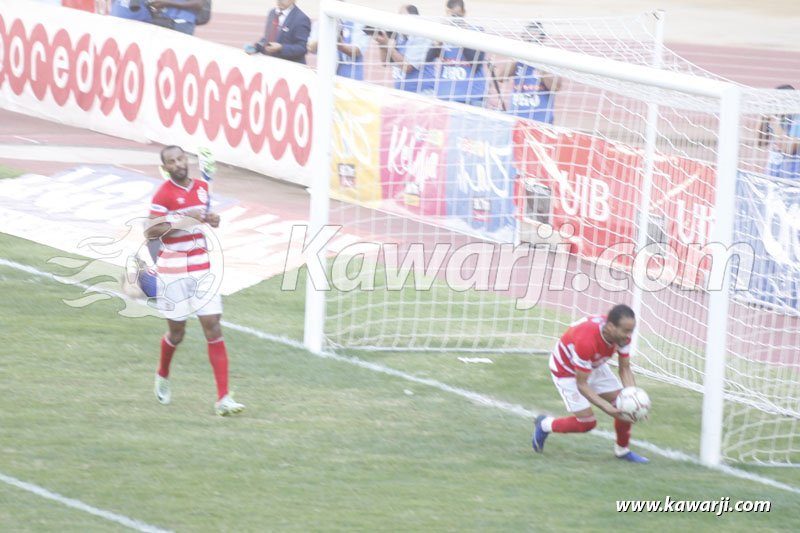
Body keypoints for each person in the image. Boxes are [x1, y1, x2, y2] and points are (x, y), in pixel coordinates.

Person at [144, 145, 245, 416]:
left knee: (213, 328)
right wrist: (185, 220)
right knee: (177, 334)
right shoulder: (163, 194)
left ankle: (223, 398)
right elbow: (151, 231)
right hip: (172, 273)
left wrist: (212, 219)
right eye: (172, 162)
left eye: (181, 159)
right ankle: (163, 373)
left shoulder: (202, 187)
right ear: (165, 168)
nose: (178, 164)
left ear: (187, 161)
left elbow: (204, 219)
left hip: (202, 269)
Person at [532, 304, 649, 463]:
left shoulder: (621, 337)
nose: (629, 336)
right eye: (626, 331)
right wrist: (608, 410)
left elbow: (625, 369)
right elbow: (582, 384)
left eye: (631, 331)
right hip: (567, 371)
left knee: (624, 405)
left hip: (593, 364)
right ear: (610, 326)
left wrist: (635, 400)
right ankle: (544, 424)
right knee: (587, 423)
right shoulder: (586, 340)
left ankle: (622, 451)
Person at [496, 21, 560, 123]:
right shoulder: (518, 59)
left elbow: (555, 87)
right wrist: (520, 54)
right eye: (529, 37)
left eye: (535, 38)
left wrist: (539, 60)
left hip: (540, 122)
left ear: (542, 39)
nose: (532, 41)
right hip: (516, 120)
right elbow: (500, 77)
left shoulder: (549, 59)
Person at [431, 0, 487, 106]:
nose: (455, 19)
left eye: (458, 15)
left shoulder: (476, 31)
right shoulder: (443, 33)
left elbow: (476, 63)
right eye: (452, 15)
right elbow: (430, 57)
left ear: (464, 12)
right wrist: (438, 33)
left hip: (471, 96)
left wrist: (462, 32)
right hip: (445, 95)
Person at [370, 5, 436, 94]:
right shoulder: (400, 37)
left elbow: (407, 67)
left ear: (414, 19)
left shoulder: (422, 38)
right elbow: (385, 62)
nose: (398, 20)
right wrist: (381, 42)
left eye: (402, 16)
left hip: (421, 93)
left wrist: (387, 44)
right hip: (402, 93)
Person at [246, 0, 311, 64]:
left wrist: (281, 48)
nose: (280, 0)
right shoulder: (272, 13)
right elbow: (268, 38)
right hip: (271, 64)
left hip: (289, 67)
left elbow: (302, 48)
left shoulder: (301, 18)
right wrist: (256, 47)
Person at [758, 84, 800, 180]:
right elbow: (760, 142)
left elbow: (788, 148)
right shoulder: (780, 119)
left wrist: (772, 119)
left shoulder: (797, 120)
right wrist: (763, 118)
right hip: (773, 179)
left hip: (793, 182)